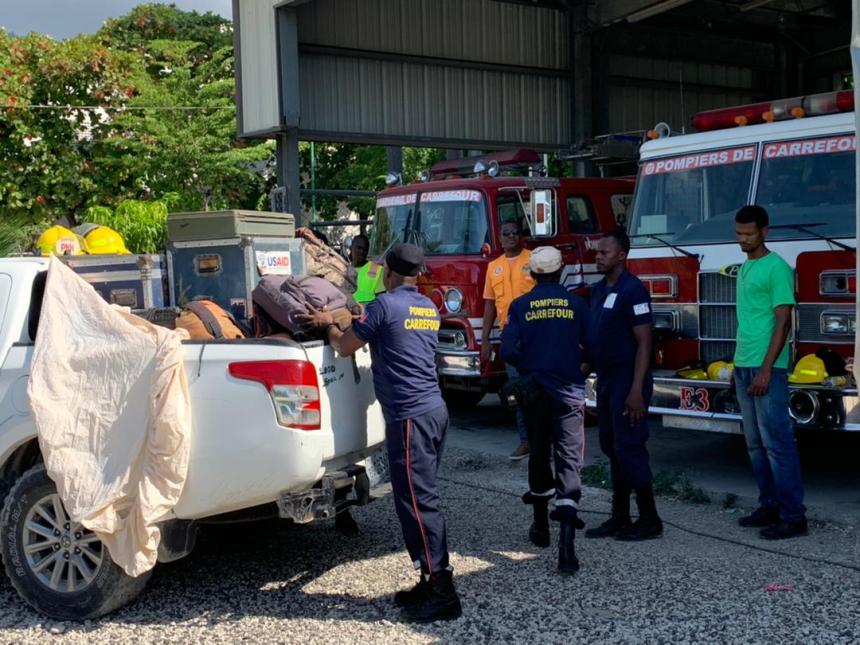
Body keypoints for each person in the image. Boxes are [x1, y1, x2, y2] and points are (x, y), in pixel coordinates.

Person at [298, 242, 462, 622]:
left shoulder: (384, 307)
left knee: (419, 504)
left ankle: (443, 591)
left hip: (410, 419)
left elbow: (343, 347)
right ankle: (428, 578)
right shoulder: (427, 307)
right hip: (434, 411)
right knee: (418, 499)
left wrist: (329, 324)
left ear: (387, 271)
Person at [500, 246, 590, 575]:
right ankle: (567, 550)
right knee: (569, 462)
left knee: (538, 454)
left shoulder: (521, 305)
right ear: (561, 271)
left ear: (532, 275)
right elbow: (592, 345)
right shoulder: (578, 304)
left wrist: (530, 368)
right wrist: (578, 368)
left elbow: (508, 349)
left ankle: (540, 527)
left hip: (534, 393)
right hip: (569, 394)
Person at [732, 205, 807, 540]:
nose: (743, 240)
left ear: (765, 231)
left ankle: (793, 516)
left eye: (748, 234)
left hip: (768, 368)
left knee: (778, 443)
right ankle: (769, 505)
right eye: (738, 234)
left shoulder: (777, 268)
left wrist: (765, 369)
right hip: (743, 364)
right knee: (754, 444)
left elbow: (783, 321)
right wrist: (740, 366)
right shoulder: (746, 267)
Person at [584, 229, 662, 542]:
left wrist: (635, 390)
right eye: (597, 252)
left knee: (629, 447)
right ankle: (619, 516)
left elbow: (644, 343)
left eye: (604, 252)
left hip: (628, 380)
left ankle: (649, 518)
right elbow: (596, 340)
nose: (598, 256)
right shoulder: (599, 289)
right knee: (611, 447)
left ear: (621, 255)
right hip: (606, 379)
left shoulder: (634, 290)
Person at [481, 220, 536, 461]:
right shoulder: (493, 267)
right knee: (517, 390)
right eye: (506, 233)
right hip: (510, 336)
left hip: (536, 334)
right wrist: (484, 341)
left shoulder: (534, 260)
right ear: (499, 238)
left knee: (540, 387)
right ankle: (525, 441)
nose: (512, 237)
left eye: (516, 233)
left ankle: (546, 439)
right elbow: (489, 305)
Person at [351, 234, 385, 304]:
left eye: (365, 249)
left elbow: (381, 298)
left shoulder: (377, 269)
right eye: (359, 248)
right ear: (351, 248)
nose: (362, 252)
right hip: (345, 310)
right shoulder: (343, 268)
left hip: (368, 310)